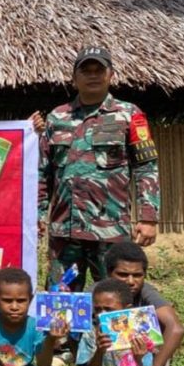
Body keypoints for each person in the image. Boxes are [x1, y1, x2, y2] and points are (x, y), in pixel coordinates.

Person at [39, 46, 160, 291]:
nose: (93, 75)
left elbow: (146, 168)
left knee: (116, 300)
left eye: (99, 70)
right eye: (86, 70)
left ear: (111, 75)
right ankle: (67, 333)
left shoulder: (130, 115)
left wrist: (148, 217)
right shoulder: (56, 117)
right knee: (60, 303)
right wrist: (38, 216)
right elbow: (42, 173)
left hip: (111, 231)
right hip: (65, 232)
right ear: (74, 78)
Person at [104, 241, 184, 366]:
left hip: (141, 354)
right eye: (123, 274)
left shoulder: (146, 292)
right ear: (109, 274)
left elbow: (176, 329)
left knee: (161, 322)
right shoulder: (97, 294)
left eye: (137, 275)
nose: (130, 281)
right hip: (103, 356)